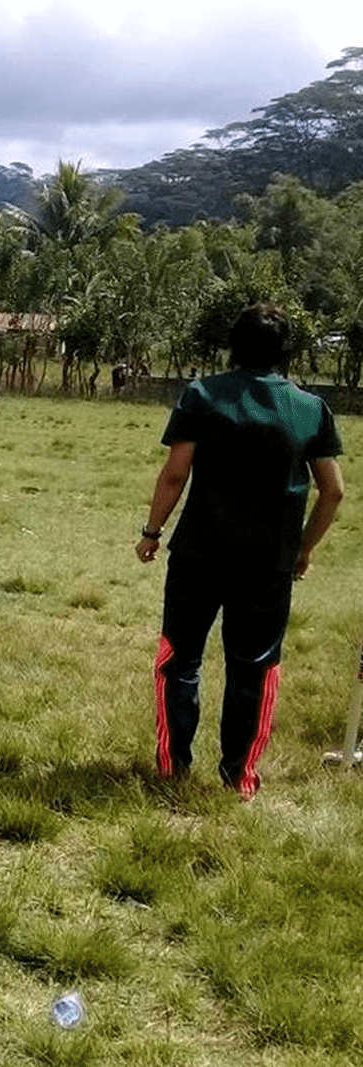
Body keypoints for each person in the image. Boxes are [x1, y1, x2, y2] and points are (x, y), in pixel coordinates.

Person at [136, 303, 344, 799]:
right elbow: (333, 491)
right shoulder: (310, 408)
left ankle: (173, 769)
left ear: (233, 345)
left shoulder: (202, 395)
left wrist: (152, 530)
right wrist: (304, 548)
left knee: (179, 659)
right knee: (254, 667)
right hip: (267, 563)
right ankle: (239, 778)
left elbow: (175, 473)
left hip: (198, 554)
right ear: (285, 352)